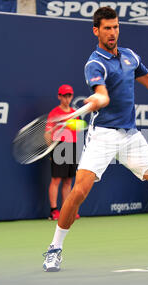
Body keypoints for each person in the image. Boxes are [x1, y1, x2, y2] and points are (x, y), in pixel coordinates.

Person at [42, 7, 148, 272]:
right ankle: (55, 248)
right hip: (103, 135)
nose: (113, 32)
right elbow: (102, 93)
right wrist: (100, 98)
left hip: (131, 136)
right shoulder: (94, 63)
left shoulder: (130, 56)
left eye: (115, 27)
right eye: (107, 28)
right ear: (96, 31)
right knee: (79, 191)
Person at [44, 85, 80, 221]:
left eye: (69, 95)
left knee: (68, 181)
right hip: (58, 147)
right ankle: (54, 211)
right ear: (59, 96)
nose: (67, 98)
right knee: (56, 180)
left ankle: (66, 210)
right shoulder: (54, 113)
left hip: (72, 146)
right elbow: (47, 133)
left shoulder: (75, 113)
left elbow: (76, 132)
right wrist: (50, 150)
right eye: (64, 96)